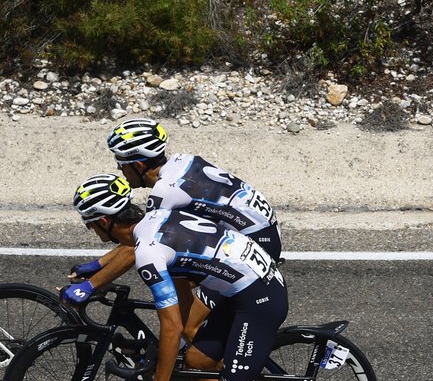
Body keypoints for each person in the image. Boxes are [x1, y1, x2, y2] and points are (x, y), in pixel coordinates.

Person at [71, 173, 335, 381]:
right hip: (242, 290)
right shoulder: (155, 217)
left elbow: (171, 324)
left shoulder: (149, 252)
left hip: (258, 299)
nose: (94, 233)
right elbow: (182, 305)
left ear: (104, 222)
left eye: (91, 226)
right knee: (196, 364)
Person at [62, 118, 281, 341]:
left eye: (121, 163)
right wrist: (97, 265)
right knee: (177, 279)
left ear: (138, 165)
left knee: (185, 323)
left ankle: (209, 363)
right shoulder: (181, 162)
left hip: (254, 245)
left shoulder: (164, 193)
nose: (119, 169)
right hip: (263, 232)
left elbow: (138, 245)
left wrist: (89, 286)